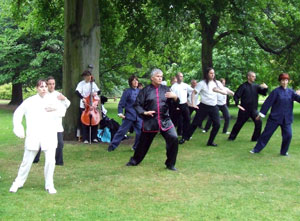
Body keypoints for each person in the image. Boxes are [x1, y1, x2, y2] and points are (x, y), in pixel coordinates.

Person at [10, 79, 59, 194]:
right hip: (34, 134)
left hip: (49, 135)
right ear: (37, 88)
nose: (44, 89)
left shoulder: (53, 100)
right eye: (41, 87)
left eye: (45, 87)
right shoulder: (29, 101)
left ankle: (49, 184)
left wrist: (55, 109)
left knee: (50, 161)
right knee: (26, 161)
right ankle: (18, 182)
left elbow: (63, 111)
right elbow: (18, 113)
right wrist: (18, 127)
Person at [126, 68, 179, 171]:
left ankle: (170, 164)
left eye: (161, 76)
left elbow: (174, 106)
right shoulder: (145, 91)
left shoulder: (166, 89)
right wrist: (144, 112)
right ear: (152, 78)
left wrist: (175, 97)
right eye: (158, 76)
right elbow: (137, 104)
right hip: (150, 120)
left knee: (174, 138)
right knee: (143, 143)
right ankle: (135, 160)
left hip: (165, 120)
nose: (160, 78)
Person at [250, 73, 300, 156]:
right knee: (266, 134)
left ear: (288, 81)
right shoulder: (276, 92)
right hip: (275, 118)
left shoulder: (291, 92)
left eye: (286, 80)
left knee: (288, 135)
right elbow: (267, 103)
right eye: (283, 80)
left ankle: (284, 152)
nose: (284, 82)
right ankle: (256, 149)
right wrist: (261, 114)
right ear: (280, 81)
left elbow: (298, 99)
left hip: (286, 119)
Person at [185, 67, 228, 146]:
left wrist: (217, 90)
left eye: (213, 73)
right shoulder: (202, 83)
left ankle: (210, 142)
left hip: (214, 106)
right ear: (207, 74)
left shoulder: (217, 83)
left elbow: (225, 92)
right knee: (195, 123)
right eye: (211, 73)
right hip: (204, 106)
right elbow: (194, 93)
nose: (213, 75)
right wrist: (193, 104)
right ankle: (185, 138)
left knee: (217, 124)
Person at [33, 76, 71, 165]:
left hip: (56, 124)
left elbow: (67, 104)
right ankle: (34, 159)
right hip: (45, 123)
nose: (51, 86)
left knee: (60, 143)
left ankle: (58, 161)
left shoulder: (58, 94)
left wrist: (64, 99)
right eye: (49, 84)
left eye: (53, 84)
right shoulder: (43, 95)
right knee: (39, 141)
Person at [228, 71, 268, 141]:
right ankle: (231, 137)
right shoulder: (243, 86)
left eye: (254, 76)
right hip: (244, 110)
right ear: (248, 77)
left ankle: (255, 138)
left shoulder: (256, 86)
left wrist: (265, 88)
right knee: (239, 124)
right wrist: (237, 104)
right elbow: (236, 96)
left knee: (259, 122)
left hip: (253, 110)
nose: (254, 78)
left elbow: (264, 93)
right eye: (253, 76)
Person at [108, 75, 142, 151]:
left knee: (140, 132)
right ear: (130, 82)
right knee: (122, 132)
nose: (136, 82)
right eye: (134, 80)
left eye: (137, 80)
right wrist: (120, 112)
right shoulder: (127, 92)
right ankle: (112, 146)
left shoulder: (140, 91)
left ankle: (136, 147)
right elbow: (121, 103)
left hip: (138, 116)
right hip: (129, 116)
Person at [75, 70, 101, 144]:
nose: (88, 78)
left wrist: (95, 93)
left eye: (89, 76)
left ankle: (94, 137)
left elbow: (99, 91)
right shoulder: (81, 84)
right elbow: (77, 92)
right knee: (84, 122)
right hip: (84, 105)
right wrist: (82, 98)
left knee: (95, 121)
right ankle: (85, 138)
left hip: (92, 105)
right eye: (86, 76)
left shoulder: (93, 83)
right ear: (84, 77)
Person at [171, 72, 195, 144]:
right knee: (176, 121)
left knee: (187, 119)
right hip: (176, 105)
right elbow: (172, 97)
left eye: (182, 76)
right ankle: (172, 135)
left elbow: (193, 91)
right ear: (177, 77)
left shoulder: (185, 85)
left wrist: (192, 103)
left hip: (184, 105)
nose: (181, 78)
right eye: (180, 76)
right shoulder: (173, 87)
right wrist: (175, 106)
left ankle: (184, 137)